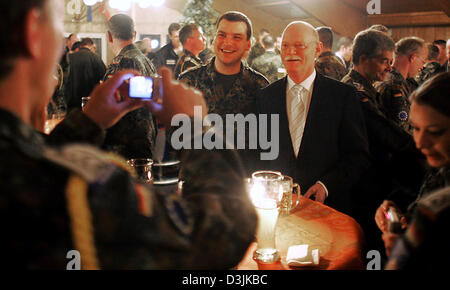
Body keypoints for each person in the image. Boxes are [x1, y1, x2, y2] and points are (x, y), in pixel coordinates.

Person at [0, 0, 257, 269]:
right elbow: (223, 233)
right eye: (58, 22)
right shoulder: (79, 188)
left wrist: (89, 121)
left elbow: (38, 162)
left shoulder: (20, 165)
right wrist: (195, 128)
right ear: (32, 32)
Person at [256, 21, 370, 214]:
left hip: (327, 208)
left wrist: (326, 185)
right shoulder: (265, 97)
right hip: (275, 210)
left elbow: (358, 155)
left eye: (299, 45)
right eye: (285, 46)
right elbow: (258, 152)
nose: (290, 52)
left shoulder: (342, 96)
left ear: (317, 49)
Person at [342, 29, 425, 253]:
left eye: (390, 61)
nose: (389, 67)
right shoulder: (355, 92)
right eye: (384, 61)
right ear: (362, 60)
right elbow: (386, 133)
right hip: (363, 183)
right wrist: (422, 148)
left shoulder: (366, 87)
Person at [179, 11, 269, 175]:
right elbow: (177, 140)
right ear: (214, 39)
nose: (227, 43)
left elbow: (266, 145)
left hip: (242, 185)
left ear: (248, 44)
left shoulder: (260, 86)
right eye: (222, 35)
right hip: (197, 183)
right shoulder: (188, 82)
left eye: (237, 37)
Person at [374, 72, 450, 265]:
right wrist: (400, 213)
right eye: (415, 128)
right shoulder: (441, 166)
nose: (420, 143)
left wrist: (407, 253)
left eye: (434, 132)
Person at [103, 14, 157, 160]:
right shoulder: (146, 61)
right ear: (133, 34)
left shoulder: (122, 63)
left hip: (125, 145)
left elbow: (110, 106)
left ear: (109, 36)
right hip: (145, 137)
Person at [375, 37, 427, 133]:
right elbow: (402, 131)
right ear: (413, 57)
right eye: (423, 62)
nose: (421, 67)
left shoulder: (399, 81)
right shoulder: (394, 86)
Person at [65, 37, 106, 111]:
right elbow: (105, 79)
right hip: (90, 104)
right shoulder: (95, 57)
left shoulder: (70, 57)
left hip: (71, 104)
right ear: (92, 46)